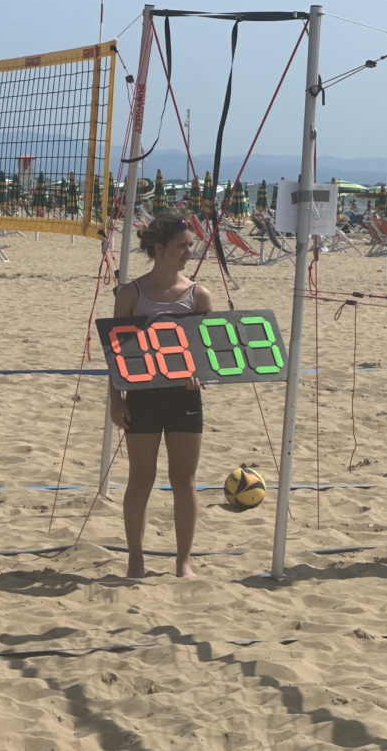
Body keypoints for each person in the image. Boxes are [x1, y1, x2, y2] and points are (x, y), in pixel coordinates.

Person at [110, 211, 212, 578]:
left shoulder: (199, 295)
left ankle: (183, 562)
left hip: (184, 397)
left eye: (190, 245)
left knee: (184, 481)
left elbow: (205, 355)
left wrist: (200, 376)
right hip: (142, 396)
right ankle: (135, 560)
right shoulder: (131, 294)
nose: (189, 252)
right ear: (160, 248)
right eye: (182, 246)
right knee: (141, 480)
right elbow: (116, 353)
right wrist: (115, 400)